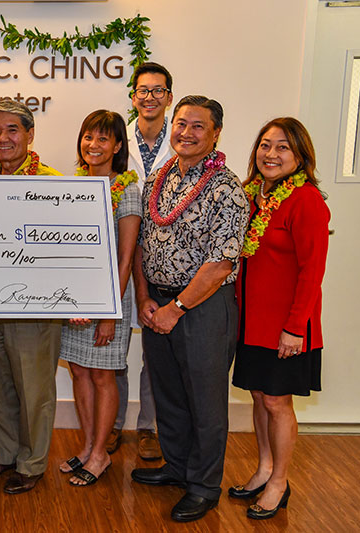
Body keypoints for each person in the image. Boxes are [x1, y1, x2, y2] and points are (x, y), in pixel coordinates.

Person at [130, 95, 249, 522]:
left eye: (198, 126)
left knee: (205, 400)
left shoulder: (227, 189)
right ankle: (177, 468)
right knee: (169, 393)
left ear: (216, 133)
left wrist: (175, 309)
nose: (186, 132)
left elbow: (220, 264)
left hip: (201, 308)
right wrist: (145, 297)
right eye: (181, 123)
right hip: (157, 301)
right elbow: (144, 242)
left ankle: (203, 486)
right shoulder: (160, 177)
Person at [228, 118, 330, 520]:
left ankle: (279, 482)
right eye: (265, 145)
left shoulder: (306, 200)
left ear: (300, 155)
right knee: (258, 396)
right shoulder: (253, 195)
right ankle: (263, 468)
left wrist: (294, 327)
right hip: (251, 323)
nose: (271, 154)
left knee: (276, 401)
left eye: (283, 147)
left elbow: (312, 271)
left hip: (286, 327)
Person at [0, 100, 62, 495]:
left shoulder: (53, 184)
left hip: (34, 306)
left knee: (34, 387)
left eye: (12, 130)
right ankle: (5, 452)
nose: (3, 138)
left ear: (29, 134)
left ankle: (32, 462)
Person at [59, 110, 141, 487]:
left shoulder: (126, 190)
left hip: (110, 298)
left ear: (118, 146)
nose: (93, 145)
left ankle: (101, 455)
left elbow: (125, 258)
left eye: (103, 139)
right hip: (74, 298)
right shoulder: (75, 186)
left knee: (102, 375)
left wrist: (108, 312)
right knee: (78, 370)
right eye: (88, 137)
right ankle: (89, 445)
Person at [112, 62, 175, 460]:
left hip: (163, 261)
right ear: (132, 96)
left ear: (168, 97)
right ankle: (113, 423)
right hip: (122, 254)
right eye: (142, 90)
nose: (149, 97)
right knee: (115, 344)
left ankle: (148, 426)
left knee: (156, 348)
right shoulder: (119, 141)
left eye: (157, 90)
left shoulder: (183, 138)